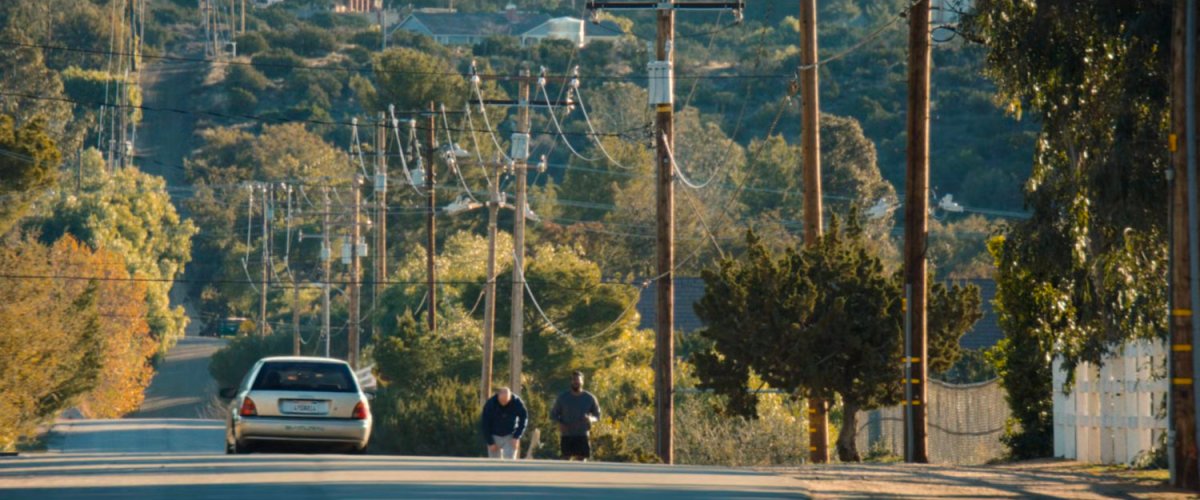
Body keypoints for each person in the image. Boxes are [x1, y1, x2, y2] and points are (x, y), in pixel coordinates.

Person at [550, 371, 601, 461]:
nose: (575, 382)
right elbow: (553, 414)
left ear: (582, 382)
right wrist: (559, 423)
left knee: (581, 461)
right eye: (574, 380)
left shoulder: (589, 398)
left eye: (578, 380)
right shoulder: (563, 398)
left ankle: (581, 475)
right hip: (566, 435)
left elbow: (597, 416)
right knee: (565, 460)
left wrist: (590, 419)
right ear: (571, 382)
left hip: (582, 434)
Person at [480, 387, 527, 459]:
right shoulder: (490, 404)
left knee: (510, 461)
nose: (503, 403)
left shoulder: (517, 402)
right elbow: (485, 423)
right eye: (501, 401)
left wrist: (517, 437)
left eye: (506, 401)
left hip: (510, 435)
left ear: (510, 397)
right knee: (494, 464)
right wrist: (490, 442)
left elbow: (524, 419)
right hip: (494, 435)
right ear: (498, 396)